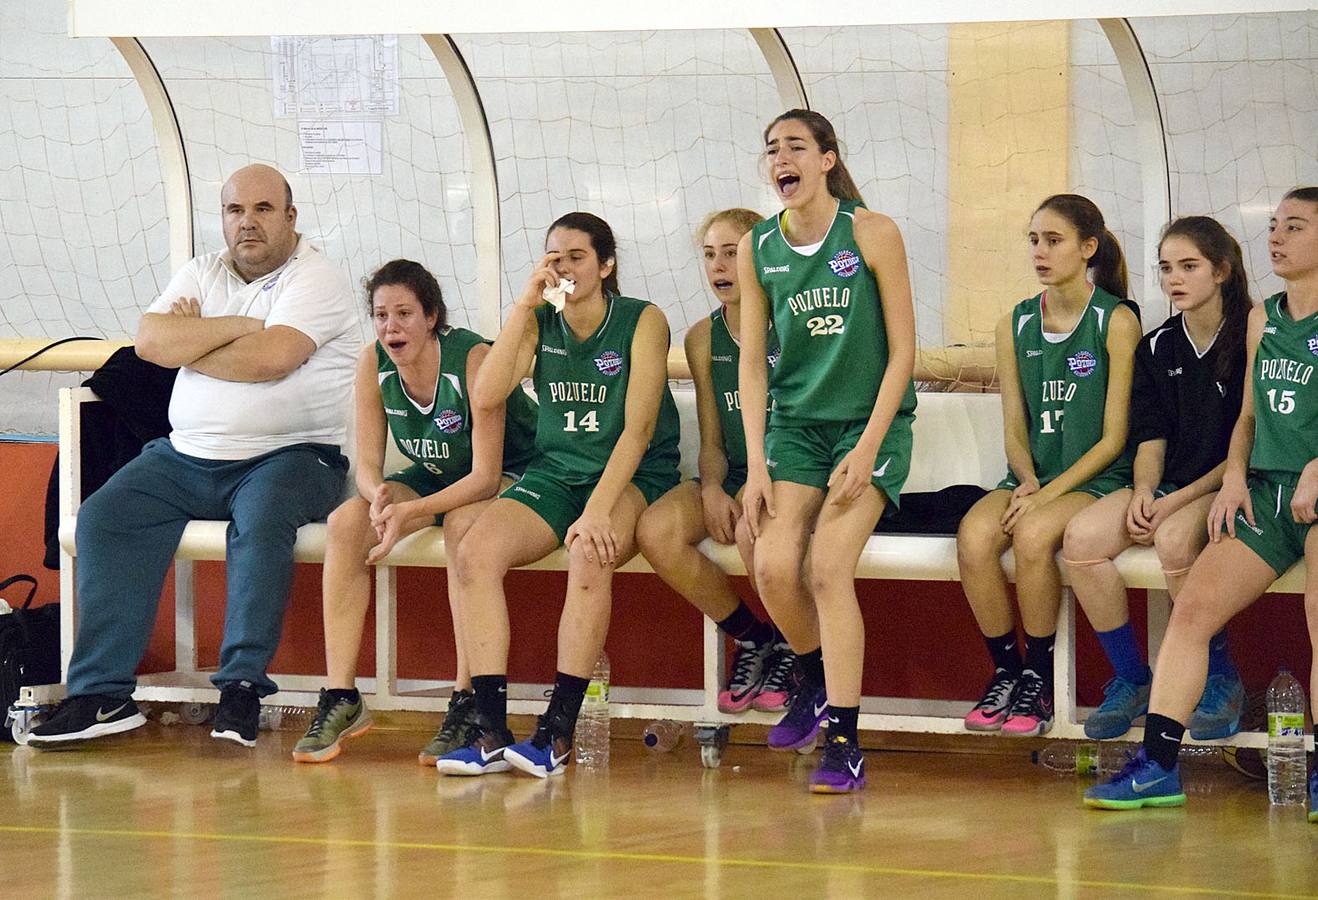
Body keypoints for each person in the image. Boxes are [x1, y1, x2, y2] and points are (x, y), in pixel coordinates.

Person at [29, 165, 358, 749]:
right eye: (235, 211)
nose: (247, 223)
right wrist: (237, 328)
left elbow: (273, 359)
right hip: (185, 457)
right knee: (104, 518)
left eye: (262, 209)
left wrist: (196, 340)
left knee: (261, 522)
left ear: (290, 216)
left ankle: (241, 689)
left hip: (293, 458)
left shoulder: (319, 277)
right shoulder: (202, 271)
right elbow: (152, 344)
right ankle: (102, 694)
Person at [1085, 187, 1318, 813]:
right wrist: (1236, 476)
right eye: (1274, 225)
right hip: (1267, 493)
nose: (1277, 237)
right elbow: (1246, 418)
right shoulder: (1264, 318)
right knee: (1189, 617)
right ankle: (1160, 765)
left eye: (1294, 227)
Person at [436, 212, 681, 777]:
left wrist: (597, 511)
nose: (564, 266)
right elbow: (488, 393)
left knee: (587, 553)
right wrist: (524, 307)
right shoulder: (541, 322)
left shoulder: (643, 320)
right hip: (557, 471)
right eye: (554, 256)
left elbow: (638, 431)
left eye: (576, 256)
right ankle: (491, 731)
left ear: (606, 265)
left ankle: (557, 732)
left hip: (633, 474)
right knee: (474, 553)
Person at [290, 260, 537, 764]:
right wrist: (378, 494)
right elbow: (367, 465)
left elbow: (485, 477)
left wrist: (413, 511)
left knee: (464, 527)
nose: (391, 326)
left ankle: (466, 698)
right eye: (381, 315)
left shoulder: (472, 358)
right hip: (440, 475)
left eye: (404, 313)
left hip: (517, 470)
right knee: (347, 522)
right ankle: (341, 695)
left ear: (432, 317)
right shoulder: (372, 363)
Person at [739, 109, 918, 794]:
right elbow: (752, 364)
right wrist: (756, 464)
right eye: (771, 149)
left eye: (794, 147)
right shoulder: (759, 245)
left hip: (868, 426)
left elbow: (903, 350)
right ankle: (813, 679)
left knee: (825, 569)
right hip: (795, 430)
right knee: (772, 564)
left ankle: (844, 740)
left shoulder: (872, 232)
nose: (780, 159)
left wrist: (869, 447)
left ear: (826, 160)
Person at [957, 194, 1140, 740]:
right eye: (1034, 240)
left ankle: (1037, 677)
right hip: (1034, 479)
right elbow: (1014, 425)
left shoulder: (1116, 319)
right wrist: (1029, 479)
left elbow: (1114, 439)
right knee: (972, 537)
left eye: (1053, 240)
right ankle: (1006, 672)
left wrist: (1048, 493)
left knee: (1035, 537)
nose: (1039, 251)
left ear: (1089, 248)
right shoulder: (1013, 323)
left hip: (1097, 480)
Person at [1063, 217, 1251, 741]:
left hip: (1226, 483)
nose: (1175, 278)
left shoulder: (1252, 334)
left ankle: (1221, 677)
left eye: (1189, 266)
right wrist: (1146, 490)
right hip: (1168, 486)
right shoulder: (1156, 346)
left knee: (1171, 540)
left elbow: (1246, 441)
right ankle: (1131, 677)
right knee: (1081, 538)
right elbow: (1150, 437)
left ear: (1222, 271)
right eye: (1167, 268)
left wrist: (1172, 503)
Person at [635, 208, 795, 715]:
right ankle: (754, 638)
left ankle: (796, 647)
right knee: (656, 531)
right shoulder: (702, 338)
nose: (719, 266)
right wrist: (711, 488)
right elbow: (712, 440)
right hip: (737, 477)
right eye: (709, 255)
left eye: (731, 252)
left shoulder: (793, 324)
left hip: (792, 475)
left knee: (759, 530)